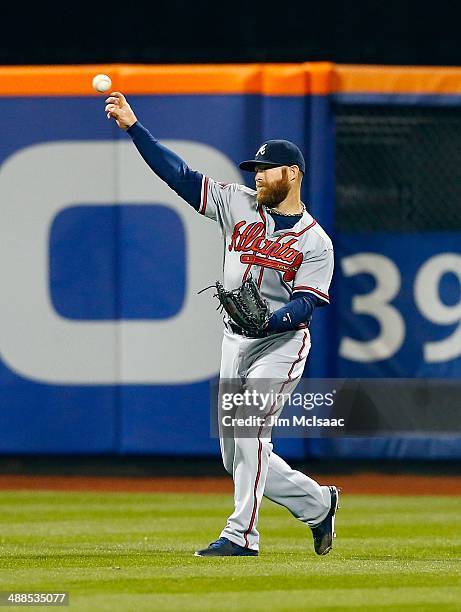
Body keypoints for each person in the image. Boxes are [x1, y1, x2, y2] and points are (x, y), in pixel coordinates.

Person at [105, 92, 339, 557]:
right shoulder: (237, 203)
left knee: (252, 431)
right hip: (236, 340)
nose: (257, 176)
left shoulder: (316, 241)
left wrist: (271, 319)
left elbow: (307, 304)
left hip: (282, 344)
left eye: (265, 169)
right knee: (236, 456)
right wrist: (135, 127)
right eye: (254, 169)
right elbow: (179, 175)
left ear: (292, 174)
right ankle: (318, 503)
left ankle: (241, 536)